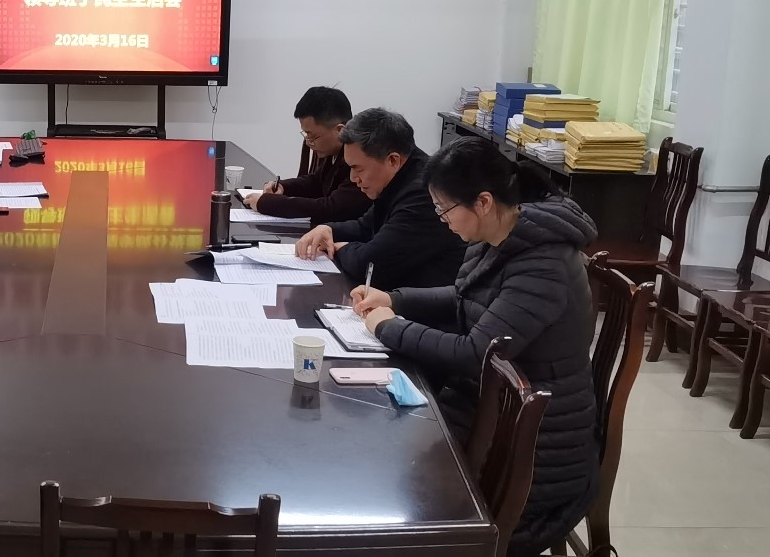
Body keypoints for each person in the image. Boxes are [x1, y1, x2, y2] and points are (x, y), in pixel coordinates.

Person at [350, 136, 599, 557]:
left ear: (483, 202)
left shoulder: (545, 263)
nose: (442, 220)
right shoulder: (500, 232)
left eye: (444, 209)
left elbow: (476, 353)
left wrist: (389, 328)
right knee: (376, 439)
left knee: (386, 470)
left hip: (535, 451)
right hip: (488, 410)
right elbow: (465, 296)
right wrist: (394, 299)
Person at [294, 108, 464, 291]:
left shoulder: (424, 194)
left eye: (358, 169)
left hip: (426, 303)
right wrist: (328, 229)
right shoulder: (400, 177)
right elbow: (366, 227)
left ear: (393, 160)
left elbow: (369, 266)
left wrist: (341, 248)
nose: (353, 178)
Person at [249, 86, 371, 222]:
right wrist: (283, 187)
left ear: (339, 130)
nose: (308, 142)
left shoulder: (360, 159)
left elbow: (333, 209)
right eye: (306, 134)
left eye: (312, 135)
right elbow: (316, 182)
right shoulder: (333, 151)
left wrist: (267, 203)